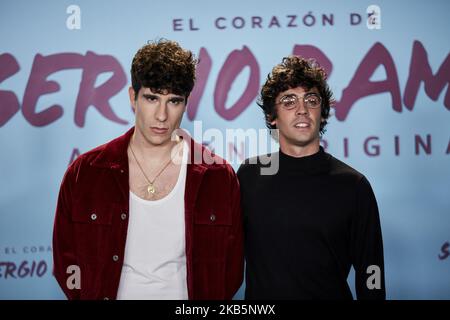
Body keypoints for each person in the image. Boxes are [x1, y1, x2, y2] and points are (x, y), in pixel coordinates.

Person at [52, 39, 244, 300]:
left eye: (174, 101)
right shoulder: (85, 173)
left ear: (187, 103)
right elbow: (66, 262)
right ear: (133, 97)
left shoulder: (218, 176)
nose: (162, 115)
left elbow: (230, 273)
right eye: (152, 98)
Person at [237, 56, 385, 300]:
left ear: (323, 114)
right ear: (272, 117)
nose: (302, 109)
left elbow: (372, 269)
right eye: (289, 101)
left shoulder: (353, 185)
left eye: (311, 100)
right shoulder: (249, 175)